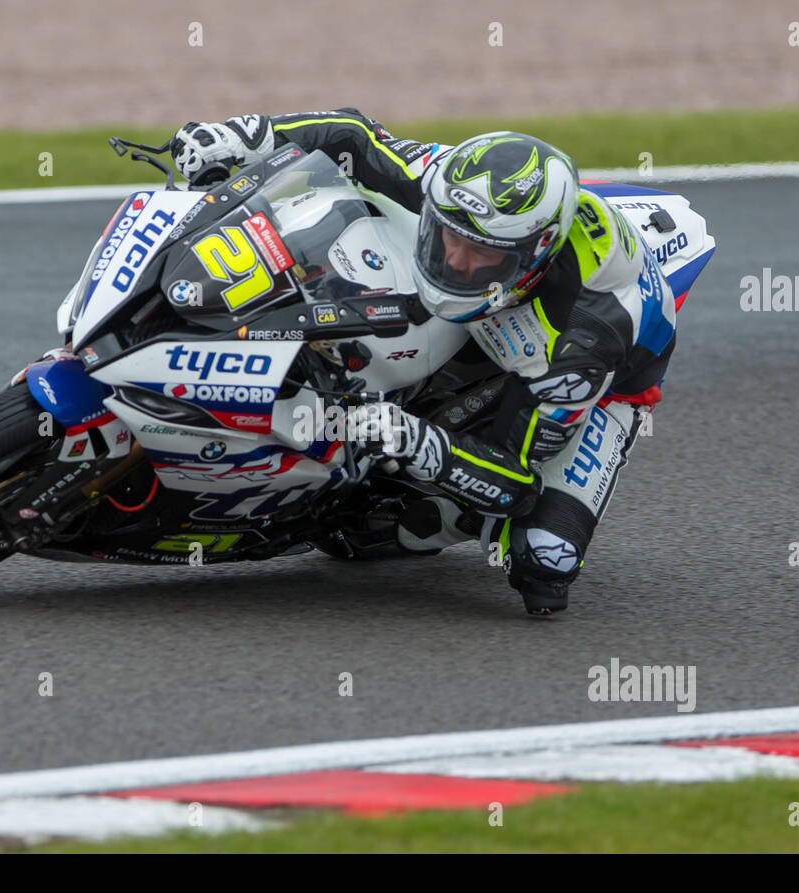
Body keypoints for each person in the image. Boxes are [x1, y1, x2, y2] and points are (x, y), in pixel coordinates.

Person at [170, 110, 676, 615]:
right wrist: (247, 135)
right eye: (448, 235)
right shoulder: (452, 183)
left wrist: (413, 439)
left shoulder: (579, 349)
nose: (454, 261)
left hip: (590, 381)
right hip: (499, 310)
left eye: (482, 254)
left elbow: (515, 482)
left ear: (534, 254)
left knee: (543, 559)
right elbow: (354, 135)